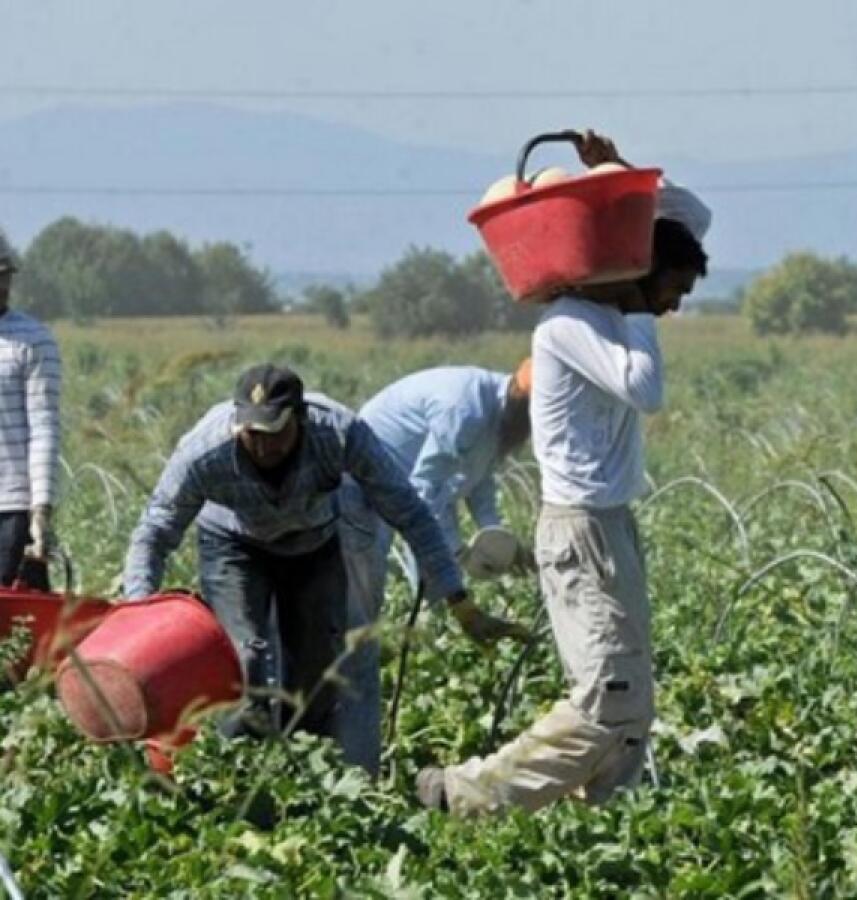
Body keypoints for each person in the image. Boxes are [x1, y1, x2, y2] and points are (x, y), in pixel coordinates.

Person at [416, 133, 711, 814]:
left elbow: (694, 217)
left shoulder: (608, 317)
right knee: (608, 695)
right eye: (672, 289)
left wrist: (617, 174)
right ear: (641, 272)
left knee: (631, 701)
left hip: (610, 525)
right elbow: (645, 389)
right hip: (580, 529)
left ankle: (603, 823)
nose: (673, 307)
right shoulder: (570, 323)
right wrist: (636, 304)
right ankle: (463, 794)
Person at [122, 363, 526, 752]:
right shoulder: (205, 451)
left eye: (274, 433)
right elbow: (154, 531)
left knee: (316, 677)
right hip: (234, 545)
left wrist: (459, 601)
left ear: (300, 419)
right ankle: (241, 771)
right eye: (251, 433)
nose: (262, 445)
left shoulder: (338, 432)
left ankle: (305, 773)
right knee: (246, 659)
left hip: (312, 544)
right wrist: (136, 614)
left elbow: (410, 512)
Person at [336, 360, 536, 773]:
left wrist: (499, 541)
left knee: (431, 595)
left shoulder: (497, 420)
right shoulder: (465, 409)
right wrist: (455, 556)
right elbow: (424, 494)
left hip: (400, 492)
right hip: (361, 491)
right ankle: (351, 755)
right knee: (358, 621)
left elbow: (479, 485)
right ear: (524, 401)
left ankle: (378, 726)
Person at [0, 229, 59, 591]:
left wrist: (41, 509)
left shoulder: (32, 339)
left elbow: (44, 427)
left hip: (10, 503)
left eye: (4, 277)